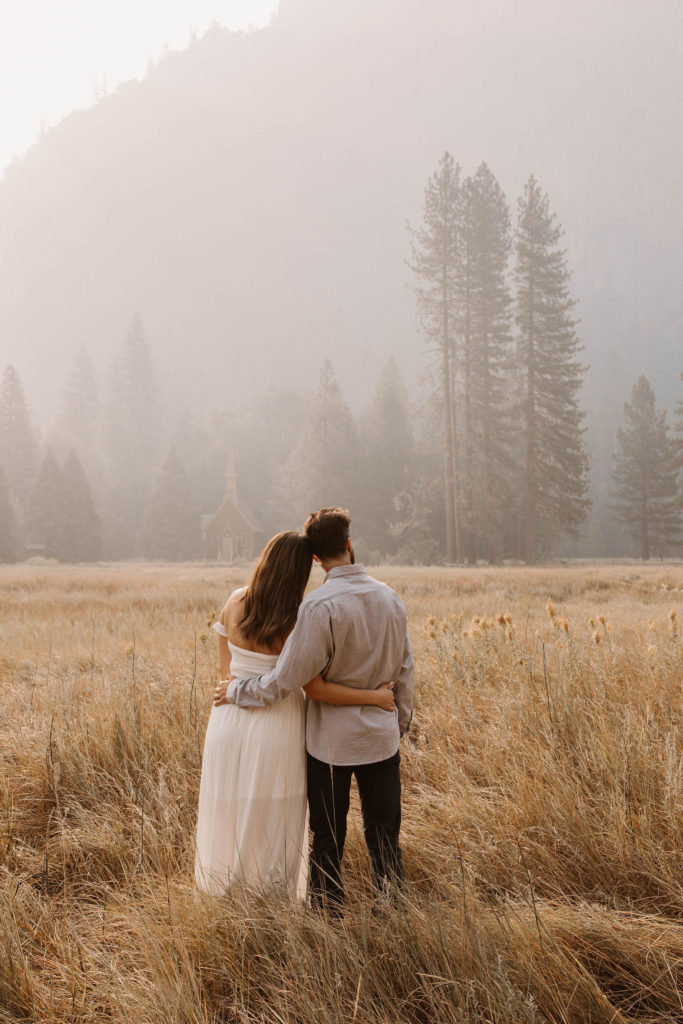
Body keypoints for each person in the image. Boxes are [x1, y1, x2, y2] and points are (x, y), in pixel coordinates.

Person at [215, 507, 414, 913]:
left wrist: (238, 691)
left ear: (315, 559)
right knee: (384, 837)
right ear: (348, 544)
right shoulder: (390, 597)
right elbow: (406, 668)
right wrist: (399, 723)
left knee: (327, 838)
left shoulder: (318, 608)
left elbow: (286, 680)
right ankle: (393, 915)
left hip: (329, 746)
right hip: (380, 738)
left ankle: (327, 920)